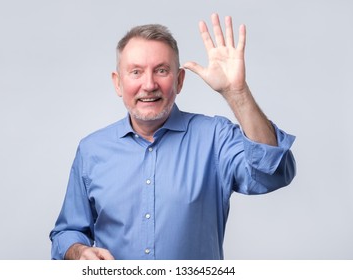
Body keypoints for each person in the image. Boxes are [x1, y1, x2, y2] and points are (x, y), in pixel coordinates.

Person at [49, 13, 296, 260]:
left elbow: (272, 173)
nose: (149, 84)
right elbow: (67, 232)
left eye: (161, 70)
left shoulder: (214, 138)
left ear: (179, 80)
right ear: (118, 83)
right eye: (136, 72)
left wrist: (237, 93)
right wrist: (78, 251)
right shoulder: (92, 150)